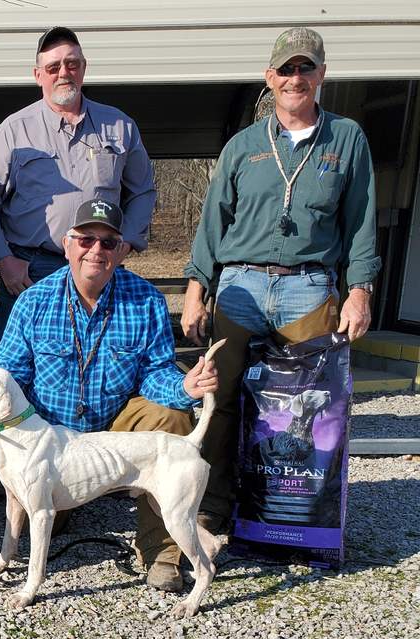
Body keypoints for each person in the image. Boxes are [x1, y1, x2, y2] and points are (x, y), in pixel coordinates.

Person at [181, 27, 380, 533]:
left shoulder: (347, 138)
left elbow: (359, 220)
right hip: (241, 287)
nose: (296, 78)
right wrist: (196, 291)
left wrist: (359, 290)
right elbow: (212, 223)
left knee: (307, 404)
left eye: (306, 68)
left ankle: (293, 513)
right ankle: (214, 506)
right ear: (269, 79)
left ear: (322, 75)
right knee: (219, 398)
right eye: (286, 69)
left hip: (309, 288)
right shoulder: (243, 146)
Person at [0, 198, 218, 592]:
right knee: (44, 516)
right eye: (86, 239)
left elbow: (155, 373)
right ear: (67, 244)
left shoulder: (146, 299)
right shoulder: (32, 301)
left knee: (172, 417)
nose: (96, 250)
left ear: (122, 250)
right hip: (55, 439)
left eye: (108, 242)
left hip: (116, 423)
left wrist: (185, 387)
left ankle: (162, 553)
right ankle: (34, 535)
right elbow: (9, 379)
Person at [0, 26, 156, 494]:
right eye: (53, 66)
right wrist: (3, 260)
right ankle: (5, 473)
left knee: (88, 367)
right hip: (29, 269)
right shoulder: (14, 130)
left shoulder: (119, 127)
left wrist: (127, 243)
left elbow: (143, 191)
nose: (63, 72)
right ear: (38, 75)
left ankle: (82, 472)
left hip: (97, 262)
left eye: (71, 63)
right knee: (13, 374)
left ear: (84, 67)